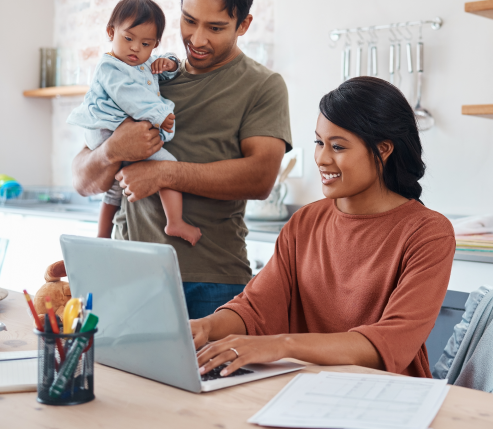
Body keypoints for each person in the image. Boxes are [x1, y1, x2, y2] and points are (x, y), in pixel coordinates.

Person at [71, 0, 292, 318]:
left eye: (216, 27)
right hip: (129, 273)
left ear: (244, 24)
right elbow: (82, 179)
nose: (198, 38)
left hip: (214, 282)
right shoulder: (143, 76)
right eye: (189, 21)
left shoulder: (262, 86)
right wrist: (112, 149)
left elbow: (261, 178)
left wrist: (165, 173)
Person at [192, 77, 456, 379]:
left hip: (389, 397)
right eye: (319, 142)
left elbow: (392, 342)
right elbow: (256, 307)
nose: (322, 158)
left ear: (383, 149)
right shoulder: (305, 222)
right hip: (303, 387)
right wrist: (204, 327)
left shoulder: (428, 233)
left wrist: (282, 345)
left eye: (338, 146)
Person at [67, 0, 201, 245]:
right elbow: (129, 96)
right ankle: (176, 222)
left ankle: (102, 237)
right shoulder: (111, 66)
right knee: (168, 164)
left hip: (111, 129)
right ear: (111, 32)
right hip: (106, 129)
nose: (135, 48)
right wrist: (159, 116)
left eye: (146, 43)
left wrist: (169, 63)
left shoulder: (144, 62)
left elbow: (165, 69)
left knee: (115, 189)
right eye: (128, 39)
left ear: (155, 44)